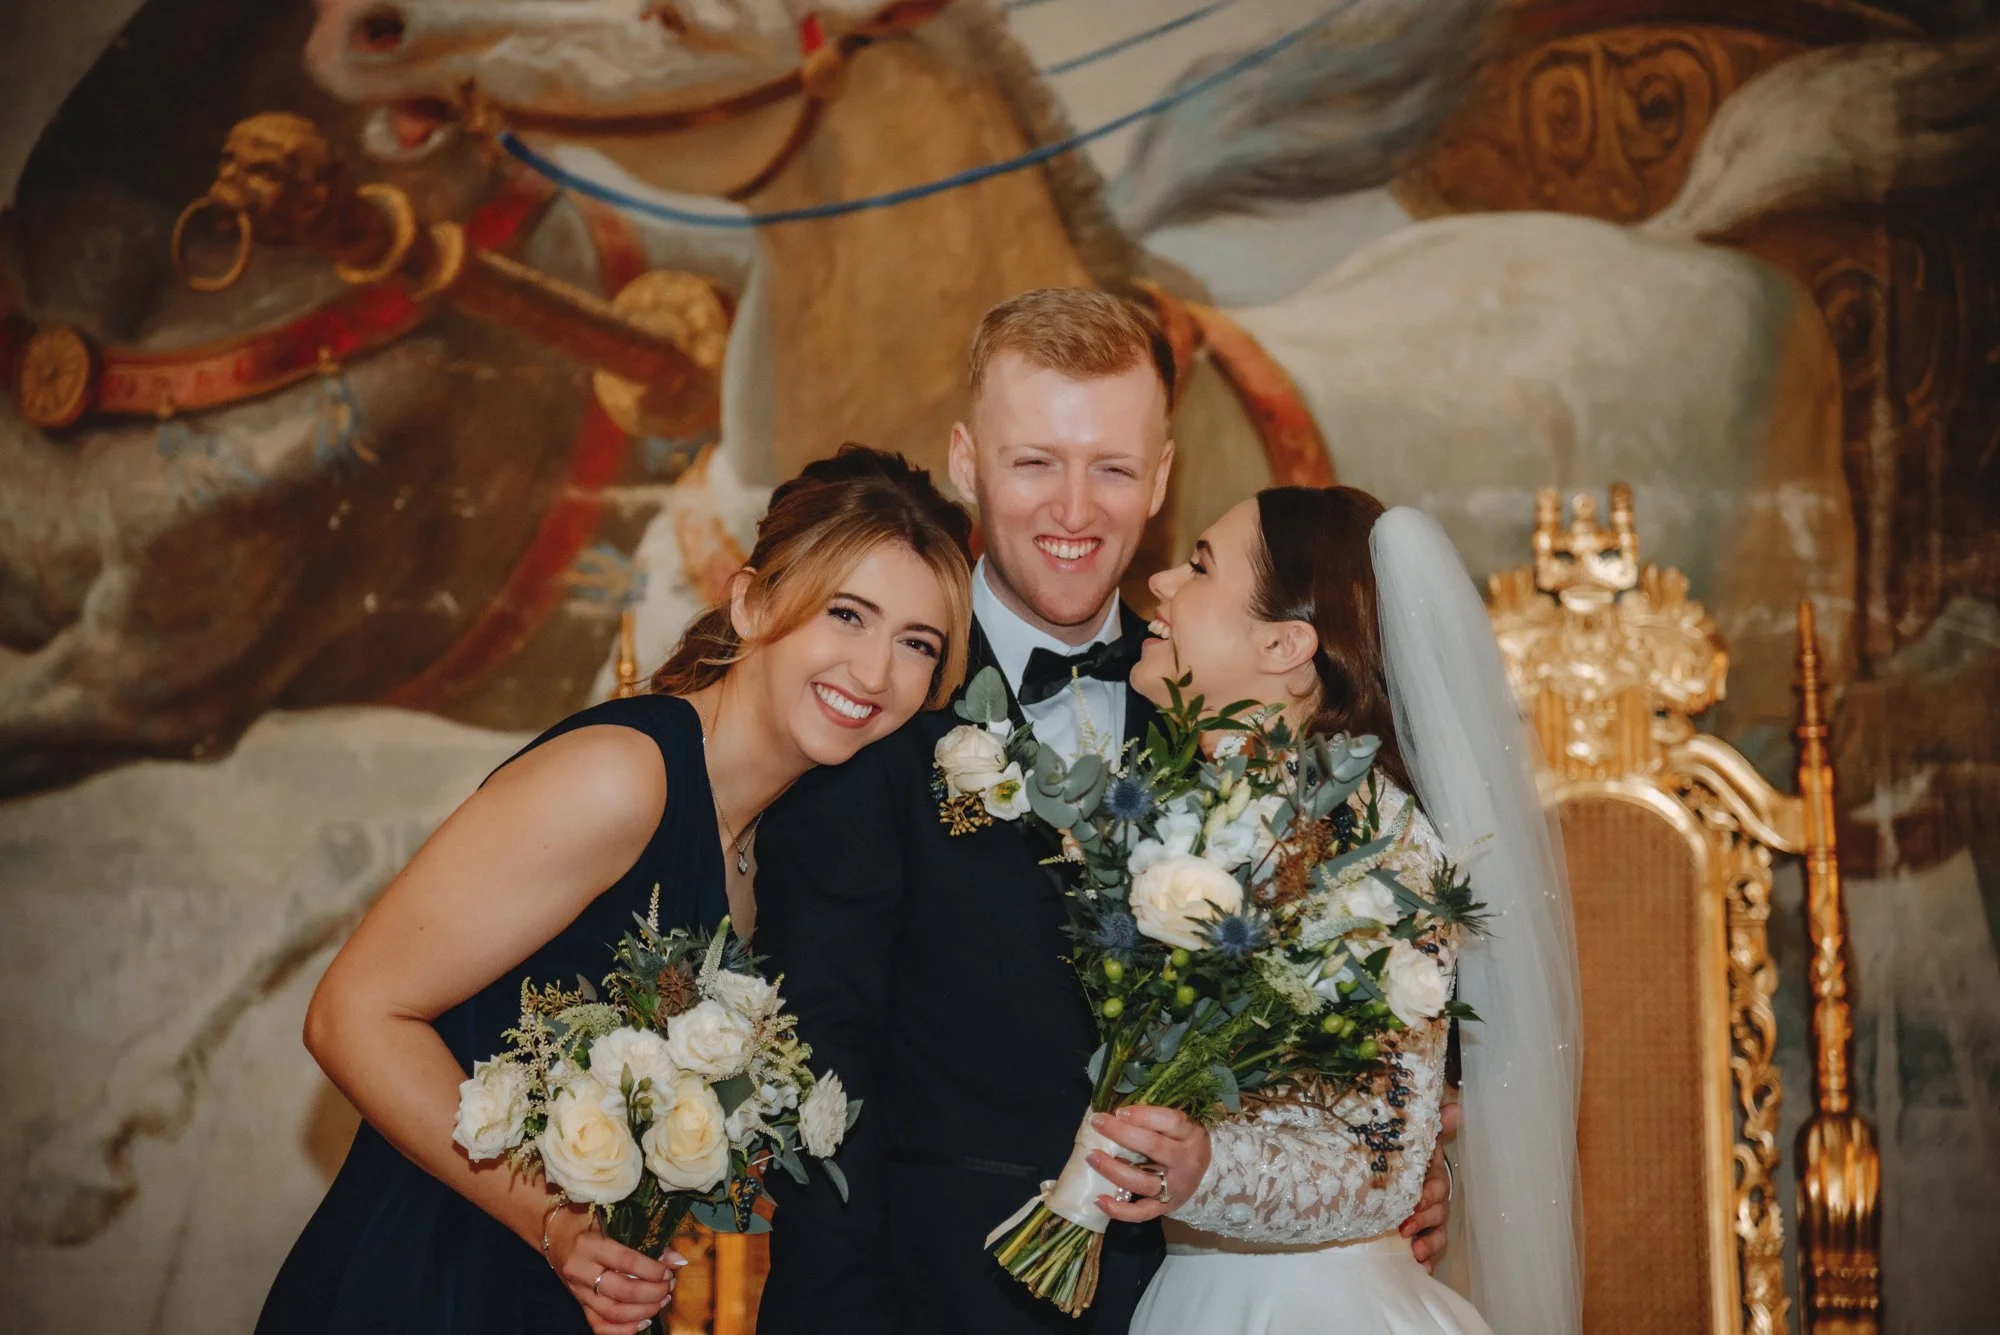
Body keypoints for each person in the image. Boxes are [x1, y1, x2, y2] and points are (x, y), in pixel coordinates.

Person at [752, 290, 1454, 1335]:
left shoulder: (1228, 711)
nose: (1074, 511)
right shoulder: (880, 701)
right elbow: (822, 1072)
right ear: (965, 462)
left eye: (1112, 469)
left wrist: (1387, 1164)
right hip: (932, 1300)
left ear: (1160, 476)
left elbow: (1363, 999)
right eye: (1034, 462)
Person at [256, 446, 975, 1335]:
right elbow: (352, 1013)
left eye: (917, 645)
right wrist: (554, 1222)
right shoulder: (623, 777)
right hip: (428, 1279)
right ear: (752, 602)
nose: (876, 673)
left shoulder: (764, 841)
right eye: (848, 614)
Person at [1120, 486, 1583, 1335]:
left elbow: (1384, 1159)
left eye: (1199, 565)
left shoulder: (1378, 849)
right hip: (1194, 1294)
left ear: (1286, 642)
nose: (1160, 580)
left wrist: (1205, 1168)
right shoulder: (1185, 805)